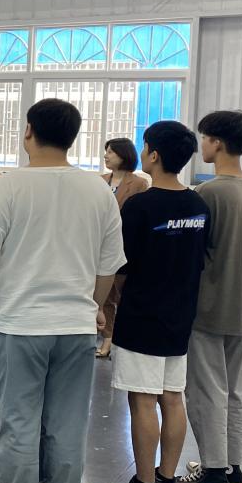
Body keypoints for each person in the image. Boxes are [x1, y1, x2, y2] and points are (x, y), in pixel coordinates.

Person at [0, 99, 125, 483]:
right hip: (76, 327)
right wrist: (93, 306)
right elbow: (108, 265)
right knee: (68, 421)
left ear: (28, 131)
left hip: (19, 325)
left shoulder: (9, 187)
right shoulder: (98, 190)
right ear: (74, 136)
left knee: (17, 420)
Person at [97, 121, 209, 483]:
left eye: (145, 147)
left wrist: (102, 301)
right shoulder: (198, 205)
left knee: (142, 399)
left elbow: (120, 264)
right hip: (181, 315)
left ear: (155, 154)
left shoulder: (142, 206)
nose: (142, 152)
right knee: (172, 396)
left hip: (143, 315)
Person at [178, 111, 242, 483]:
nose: (202, 145)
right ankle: (231, 465)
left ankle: (213, 471)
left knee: (205, 390)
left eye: (205, 138)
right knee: (233, 389)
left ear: (217, 142)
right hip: (241, 304)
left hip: (210, 305)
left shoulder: (209, 193)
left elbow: (193, 250)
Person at [97, 137, 149, 359]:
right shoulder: (100, 181)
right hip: (101, 246)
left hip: (127, 246)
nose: (106, 155)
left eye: (111, 152)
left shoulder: (139, 184)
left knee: (123, 293)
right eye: (106, 151)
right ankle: (107, 338)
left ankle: (126, 338)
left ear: (124, 154)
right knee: (104, 295)